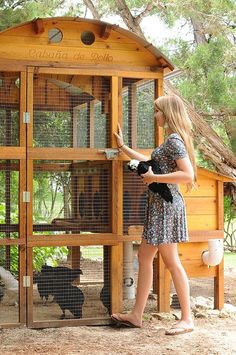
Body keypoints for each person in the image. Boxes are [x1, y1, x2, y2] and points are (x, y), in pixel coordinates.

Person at [111, 95, 197, 335]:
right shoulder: (169, 141)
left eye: (157, 111)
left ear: (167, 113)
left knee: (171, 262)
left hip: (167, 207)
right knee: (145, 257)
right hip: (158, 206)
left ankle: (187, 318)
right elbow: (150, 162)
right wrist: (123, 147)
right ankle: (137, 315)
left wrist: (154, 178)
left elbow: (187, 174)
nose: (155, 115)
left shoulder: (174, 140)